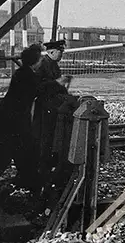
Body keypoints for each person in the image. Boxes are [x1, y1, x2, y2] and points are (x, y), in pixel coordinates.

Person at [0, 44, 43, 191]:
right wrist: (58, 84)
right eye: (40, 59)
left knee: (19, 150)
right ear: (35, 61)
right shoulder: (27, 75)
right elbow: (39, 90)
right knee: (10, 152)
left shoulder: (23, 72)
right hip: (13, 120)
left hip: (11, 119)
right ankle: (29, 180)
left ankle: (27, 179)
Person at [32, 40, 72, 195]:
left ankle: (49, 164)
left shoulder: (53, 65)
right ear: (51, 52)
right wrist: (57, 83)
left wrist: (63, 85)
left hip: (53, 107)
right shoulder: (43, 65)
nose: (61, 54)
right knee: (45, 138)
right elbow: (37, 87)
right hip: (44, 109)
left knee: (51, 137)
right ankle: (43, 168)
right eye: (60, 51)